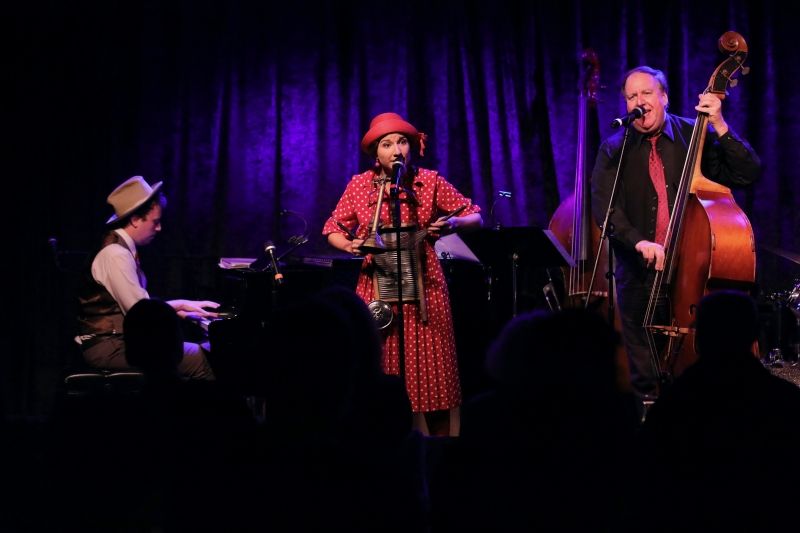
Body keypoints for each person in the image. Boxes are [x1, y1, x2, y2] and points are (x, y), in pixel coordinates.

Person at [591, 66, 760, 401]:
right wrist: (639, 241)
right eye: (631, 96)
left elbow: (748, 172)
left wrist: (720, 125)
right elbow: (604, 209)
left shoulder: (693, 135)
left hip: (693, 273)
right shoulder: (614, 148)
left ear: (664, 97)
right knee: (643, 369)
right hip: (637, 273)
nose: (639, 101)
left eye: (647, 93)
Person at [323, 112, 482, 436]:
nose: (397, 149)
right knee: (379, 368)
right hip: (377, 289)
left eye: (402, 141)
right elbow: (332, 228)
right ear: (376, 154)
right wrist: (351, 245)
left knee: (434, 376)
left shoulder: (430, 181)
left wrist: (453, 223)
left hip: (425, 288)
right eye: (387, 144)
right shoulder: (359, 186)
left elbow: (474, 215)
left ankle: (438, 456)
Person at [76, 175, 219, 380]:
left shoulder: (120, 249)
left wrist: (181, 306)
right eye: (155, 222)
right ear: (135, 220)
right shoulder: (116, 254)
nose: (159, 228)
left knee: (197, 351)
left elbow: (140, 309)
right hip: (110, 347)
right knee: (200, 358)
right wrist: (178, 307)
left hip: (118, 343)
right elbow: (141, 316)